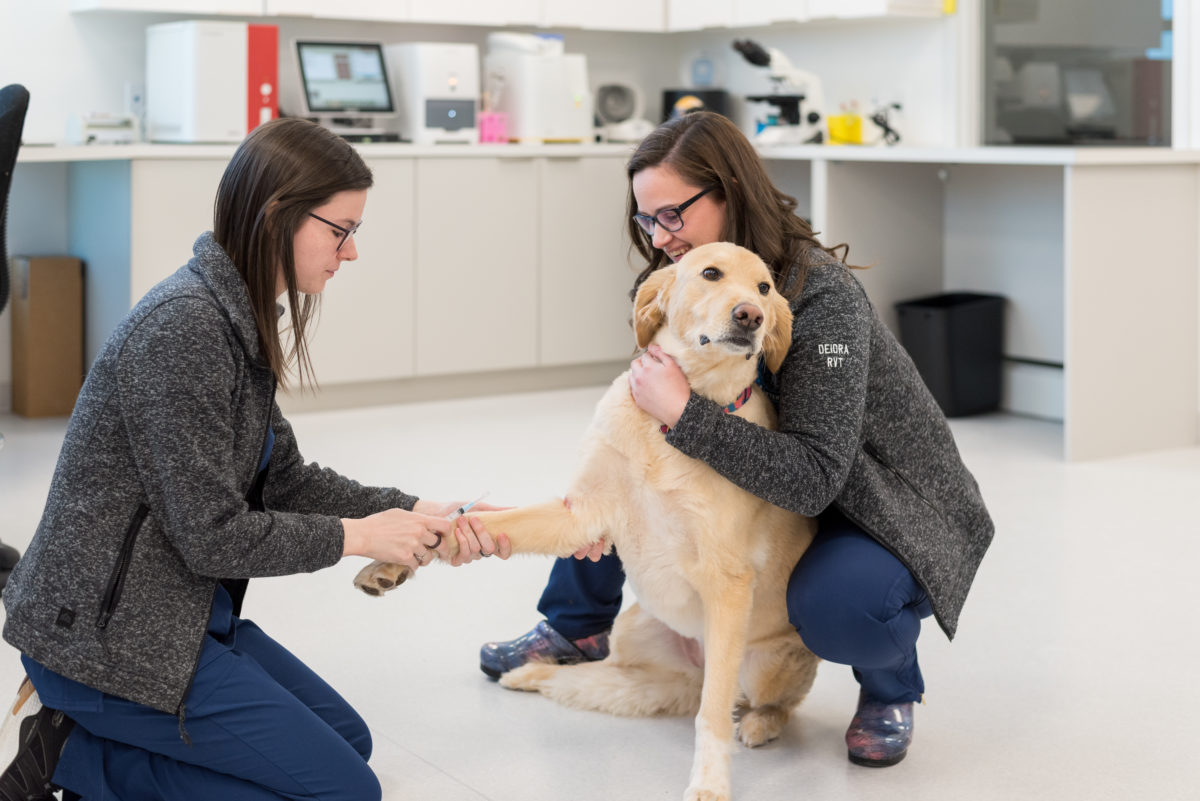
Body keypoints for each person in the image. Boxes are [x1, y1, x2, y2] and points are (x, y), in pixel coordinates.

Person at [0, 117, 508, 801]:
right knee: (344, 791)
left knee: (346, 743)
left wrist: (416, 508)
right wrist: (358, 537)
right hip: (101, 641)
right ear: (278, 216)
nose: (350, 253)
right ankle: (73, 755)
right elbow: (211, 534)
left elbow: (287, 479)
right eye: (341, 230)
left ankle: (100, 749)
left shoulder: (235, 315)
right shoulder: (184, 328)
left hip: (174, 614)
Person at [478, 111, 994, 768]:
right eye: (647, 219)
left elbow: (814, 477)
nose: (660, 237)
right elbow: (645, 446)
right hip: (769, 494)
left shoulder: (823, 300)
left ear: (728, 194)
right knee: (638, 461)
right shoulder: (680, 277)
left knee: (838, 601)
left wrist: (686, 415)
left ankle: (889, 686)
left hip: (872, 502)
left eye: (674, 215)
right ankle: (576, 623)